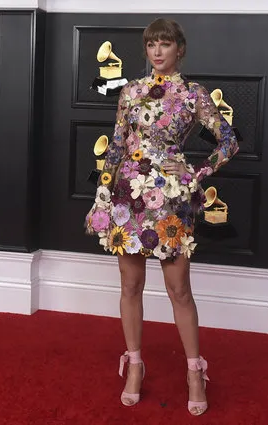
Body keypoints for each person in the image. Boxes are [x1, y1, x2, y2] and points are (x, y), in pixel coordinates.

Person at [85, 17, 240, 416]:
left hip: (171, 200)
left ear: (179, 49)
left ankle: (194, 372)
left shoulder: (192, 94)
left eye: (165, 44)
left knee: (178, 290)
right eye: (151, 44)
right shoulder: (131, 91)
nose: (157, 51)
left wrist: (196, 172)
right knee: (130, 285)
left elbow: (229, 140)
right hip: (128, 199)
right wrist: (103, 194)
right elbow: (116, 146)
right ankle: (134, 365)